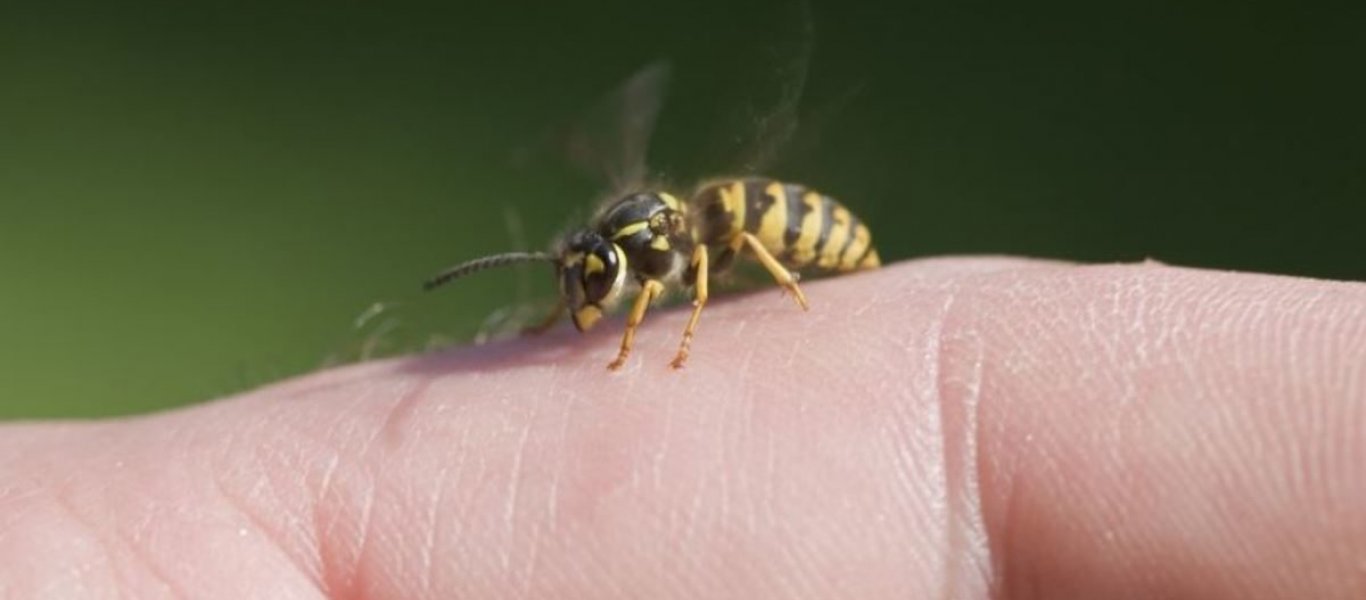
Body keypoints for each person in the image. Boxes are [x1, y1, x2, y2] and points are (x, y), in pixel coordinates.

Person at [2, 257, 1363, 598]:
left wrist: (703, 325)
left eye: (596, 286)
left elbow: (683, 267)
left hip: (776, 245)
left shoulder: (684, 266)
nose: (590, 299)